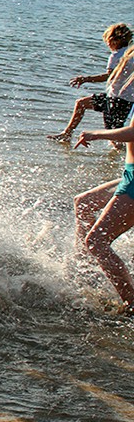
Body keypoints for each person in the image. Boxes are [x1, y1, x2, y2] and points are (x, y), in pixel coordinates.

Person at [73, 122, 134, 312]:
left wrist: (96, 134)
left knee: (96, 241)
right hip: (129, 173)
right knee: (84, 203)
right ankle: (84, 267)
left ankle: (131, 303)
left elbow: (132, 132)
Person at [49, 23, 134, 142]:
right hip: (123, 99)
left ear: (114, 40)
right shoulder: (130, 52)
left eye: (107, 41)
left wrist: (86, 79)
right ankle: (67, 134)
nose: (107, 44)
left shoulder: (116, 56)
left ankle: (123, 156)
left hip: (117, 99)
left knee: (113, 137)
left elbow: (109, 76)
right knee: (81, 103)